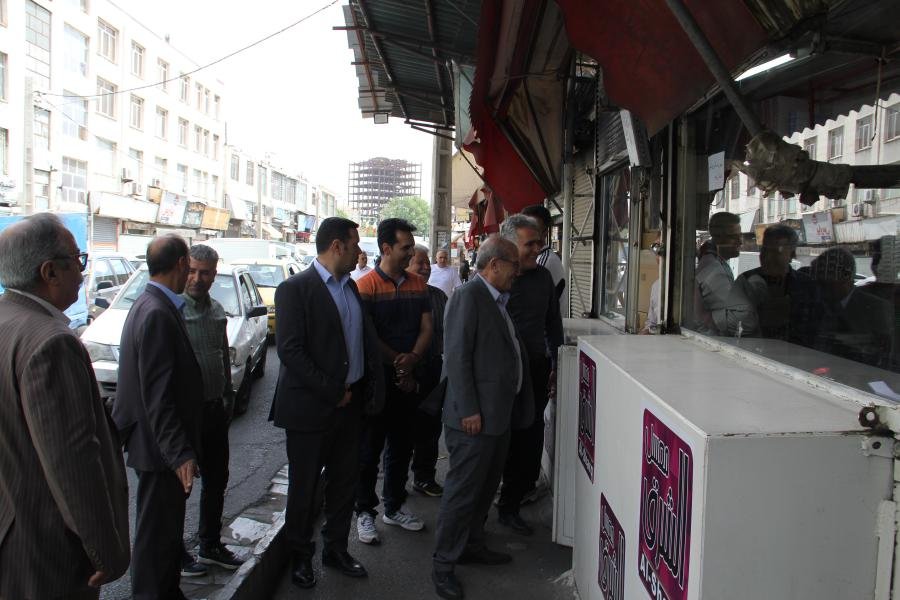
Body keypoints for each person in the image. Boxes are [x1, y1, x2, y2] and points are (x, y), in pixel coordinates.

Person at [0, 213, 130, 599]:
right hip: (45, 549)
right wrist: (104, 551)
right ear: (50, 272)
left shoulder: (8, 321)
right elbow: (72, 461)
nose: (82, 270)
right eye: (77, 259)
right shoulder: (51, 341)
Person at [270, 217, 384, 589]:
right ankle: (300, 556)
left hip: (350, 407)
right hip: (311, 409)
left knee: (344, 484)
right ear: (336, 246)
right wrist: (333, 391)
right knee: (304, 489)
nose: (359, 252)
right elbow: (290, 351)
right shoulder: (295, 289)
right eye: (354, 245)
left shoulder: (350, 287)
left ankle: (336, 549)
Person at [431, 236, 533, 600]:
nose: (517, 273)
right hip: (473, 419)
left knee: (484, 489)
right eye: (514, 266)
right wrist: (470, 409)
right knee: (462, 493)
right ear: (494, 265)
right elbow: (457, 358)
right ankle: (443, 564)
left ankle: (471, 545)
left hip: (497, 417)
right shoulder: (468, 297)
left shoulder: (496, 299)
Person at [113, 234, 204, 600]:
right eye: (190, 266)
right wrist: (179, 453)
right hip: (159, 449)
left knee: (167, 534)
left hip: (159, 446)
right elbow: (157, 395)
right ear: (181, 263)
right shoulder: (155, 312)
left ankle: (167, 590)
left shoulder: (154, 303)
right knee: (155, 536)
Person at [355, 218, 433, 544]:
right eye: (406, 248)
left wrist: (411, 359)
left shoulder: (418, 285)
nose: (411, 253)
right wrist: (399, 362)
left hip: (409, 377)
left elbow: (427, 327)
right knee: (370, 449)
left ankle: (394, 506)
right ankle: (364, 511)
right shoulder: (366, 286)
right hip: (378, 382)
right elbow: (368, 335)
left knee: (402, 446)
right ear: (386, 248)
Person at [495, 215, 563, 535]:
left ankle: (511, 504)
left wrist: (556, 364)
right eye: (530, 244)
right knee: (498, 440)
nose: (538, 249)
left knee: (529, 439)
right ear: (509, 245)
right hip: (500, 374)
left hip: (535, 370)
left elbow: (553, 325)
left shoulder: (543, 279)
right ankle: (480, 508)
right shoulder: (493, 279)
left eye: (540, 242)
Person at [178, 245, 244, 575]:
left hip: (215, 411)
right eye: (192, 271)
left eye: (204, 272)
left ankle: (210, 544)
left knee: (217, 480)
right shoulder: (173, 312)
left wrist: (228, 397)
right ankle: (176, 553)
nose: (197, 278)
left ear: (214, 275)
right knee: (179, 488)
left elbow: (221, 356)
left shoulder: (217, 311)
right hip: (185, 416)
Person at [728, 224, 819, 344]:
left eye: (776, 251)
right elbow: (732, 326)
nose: (768, 257)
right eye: (765, 250)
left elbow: (816, 328)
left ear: (792, 254)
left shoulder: (806, 285)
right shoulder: (746, 282)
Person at [407, 244, 448, 497]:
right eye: (419, 263)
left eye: (427, 263)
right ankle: (394, 487)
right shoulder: (398, 295)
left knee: (430, 427)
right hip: (405, 372)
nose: (425, 268)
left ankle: (424, 477)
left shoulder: (439, 297)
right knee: (402, 430)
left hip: (433, 369)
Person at [810, 246, 893, 369]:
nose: (819, 285)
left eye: (825, 276)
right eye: (817, 278)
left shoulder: (876, 308)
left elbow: (882, 353)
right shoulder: (816, 305)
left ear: (846, 275)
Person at [693, 211, 742, 335]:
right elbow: (733, 318)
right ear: (719, 238)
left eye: (740, 236)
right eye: (734, 237)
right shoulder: (714, 270)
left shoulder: (716, 261)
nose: (740, 242)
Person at [522, 205, 565, 301]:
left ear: (545, 232)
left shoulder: (545, 261)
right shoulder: (536, 258)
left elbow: (529, 300)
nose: (528, 232)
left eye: (534, 227)